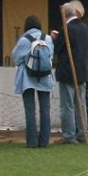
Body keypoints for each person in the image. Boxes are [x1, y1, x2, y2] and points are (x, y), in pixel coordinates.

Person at [10, 15, 53, 148]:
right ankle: (45, 141)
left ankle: (32, 141)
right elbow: (50, 55)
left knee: (30, 109)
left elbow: (16, 58)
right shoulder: (48, 38)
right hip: (45, 76)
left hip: (27, 77)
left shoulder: (23, 40)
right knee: (45, 109)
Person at [52, 0, 88, 144]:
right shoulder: (84, 27)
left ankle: (69, 135)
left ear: (65, 16)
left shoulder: (67, 29)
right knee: (81, 104)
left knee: (67, 106)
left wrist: (55, 37)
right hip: (82, 71)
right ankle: (83, 133)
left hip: (68, 72)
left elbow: (58, 49)